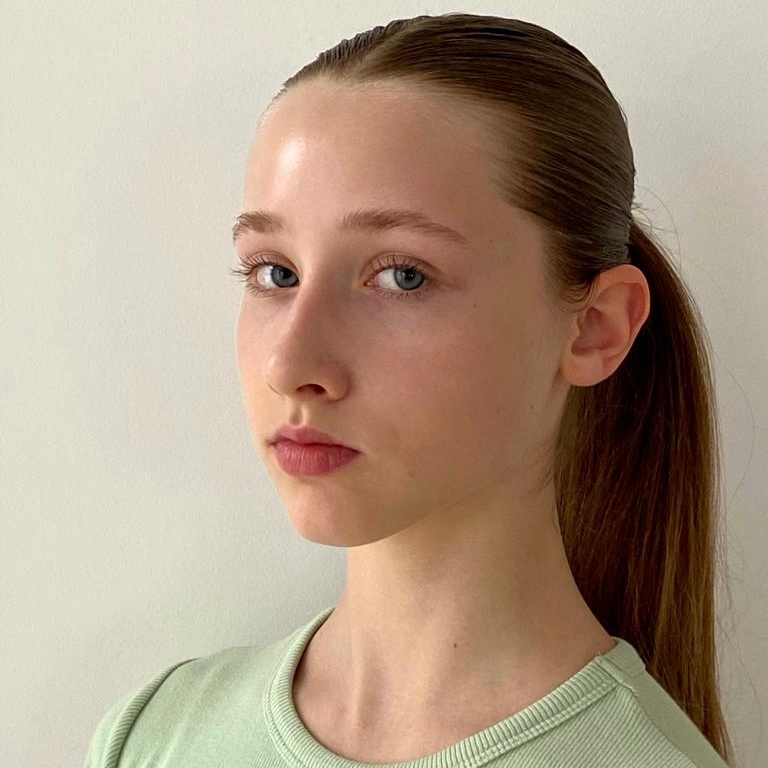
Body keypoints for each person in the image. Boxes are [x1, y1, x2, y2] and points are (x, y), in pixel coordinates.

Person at [82, 12, 735, 768]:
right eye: (275, 272)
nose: (290, 364)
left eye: (402, 276)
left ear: (595, 328)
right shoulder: (155, 736)